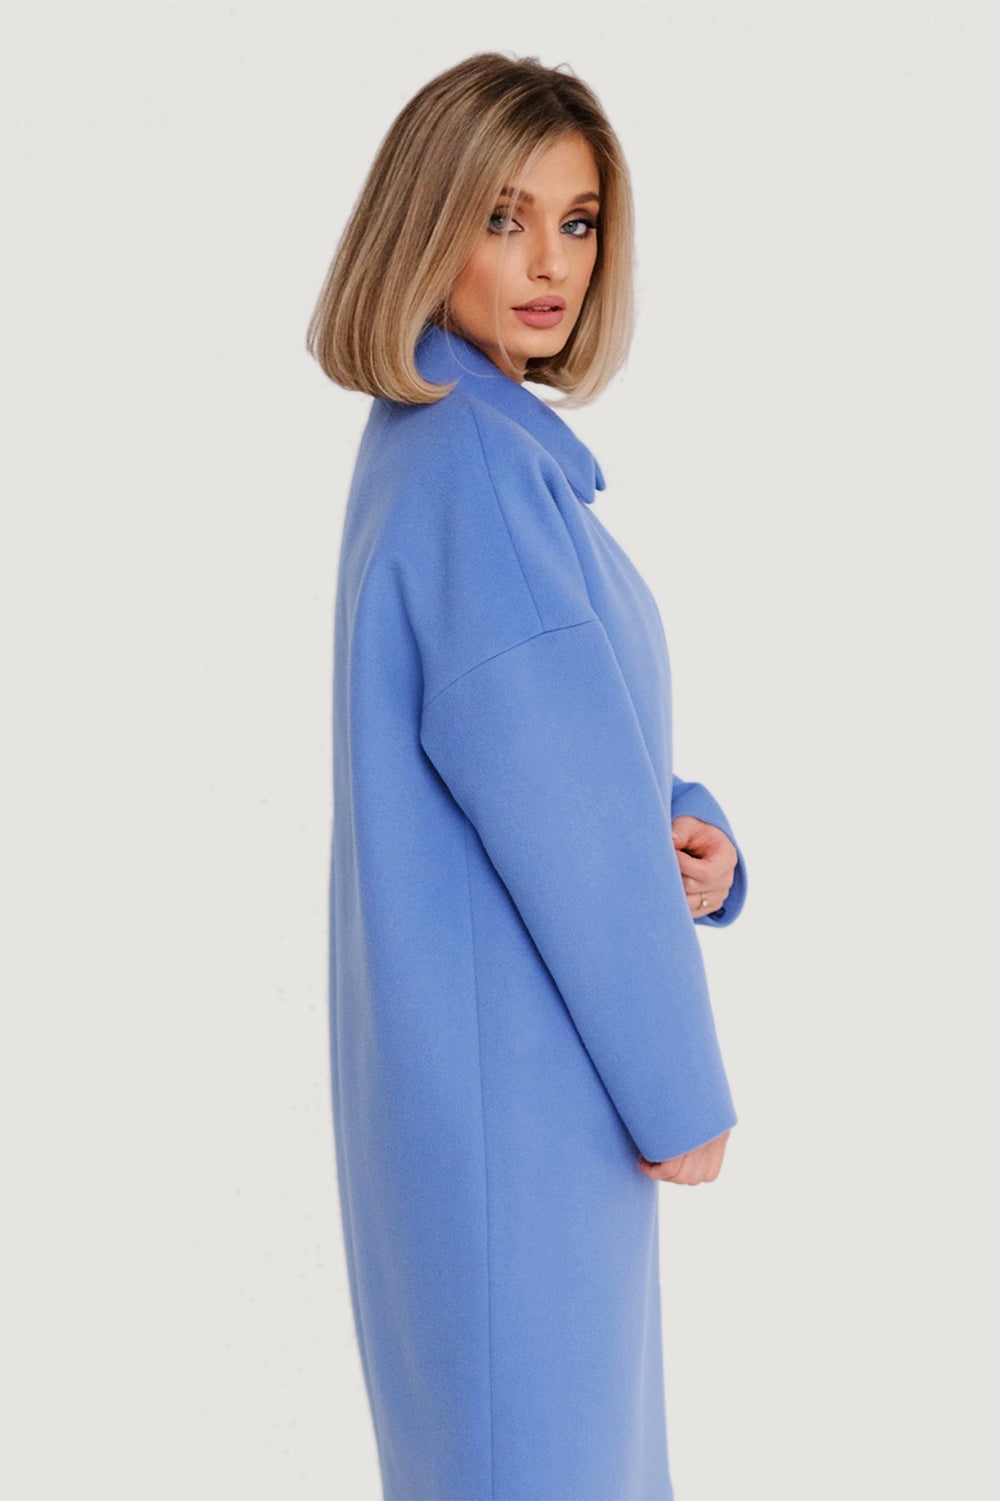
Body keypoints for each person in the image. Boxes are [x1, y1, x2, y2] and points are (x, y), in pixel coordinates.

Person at [307, 52, 747, 1501]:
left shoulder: (442, 451)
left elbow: (557, 758)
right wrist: (682, 1093)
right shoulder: (482, 477)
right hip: (530, 1105)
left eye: (578, 220)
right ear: (425, 224)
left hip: (486, 1091)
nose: (550, 262)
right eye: (504, 218)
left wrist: (688, 828)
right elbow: (562, 822)